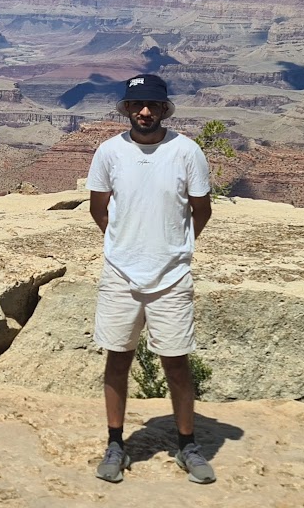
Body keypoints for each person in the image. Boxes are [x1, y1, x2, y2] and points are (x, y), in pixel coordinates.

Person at [87, 73, 216, 485]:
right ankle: (115, 443)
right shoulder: (109, 152)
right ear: (127, 109)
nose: (145, 112)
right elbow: (98, 208)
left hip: (172, 276)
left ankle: (187, 445)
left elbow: (201, 210)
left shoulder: (186, 151)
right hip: (120, 274)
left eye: (153, 105)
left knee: (176, 363)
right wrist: (125, 245)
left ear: (164, 109)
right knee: (117, 358)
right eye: (137, 105)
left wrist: (175, 247)